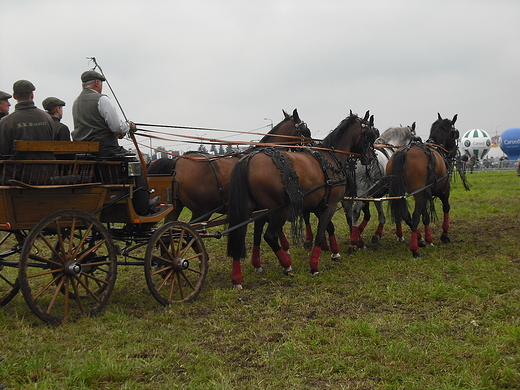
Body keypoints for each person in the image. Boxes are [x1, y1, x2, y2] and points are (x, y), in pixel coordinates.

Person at [71, 70, 159, 215]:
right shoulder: (101, 99)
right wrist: (129, 126)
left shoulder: (76, 102)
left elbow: (93, 126)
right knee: (136, 163)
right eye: (101, 84)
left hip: (86, 153)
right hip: (106, 150)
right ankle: (143, 205)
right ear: (97, 83)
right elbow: (116, 126)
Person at [0, 80, 55, 184]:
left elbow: (4, 151)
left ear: (15, 96)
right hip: (45, 174)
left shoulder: (6, 122)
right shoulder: (47, 118)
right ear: (32, 95)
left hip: (17, 177)